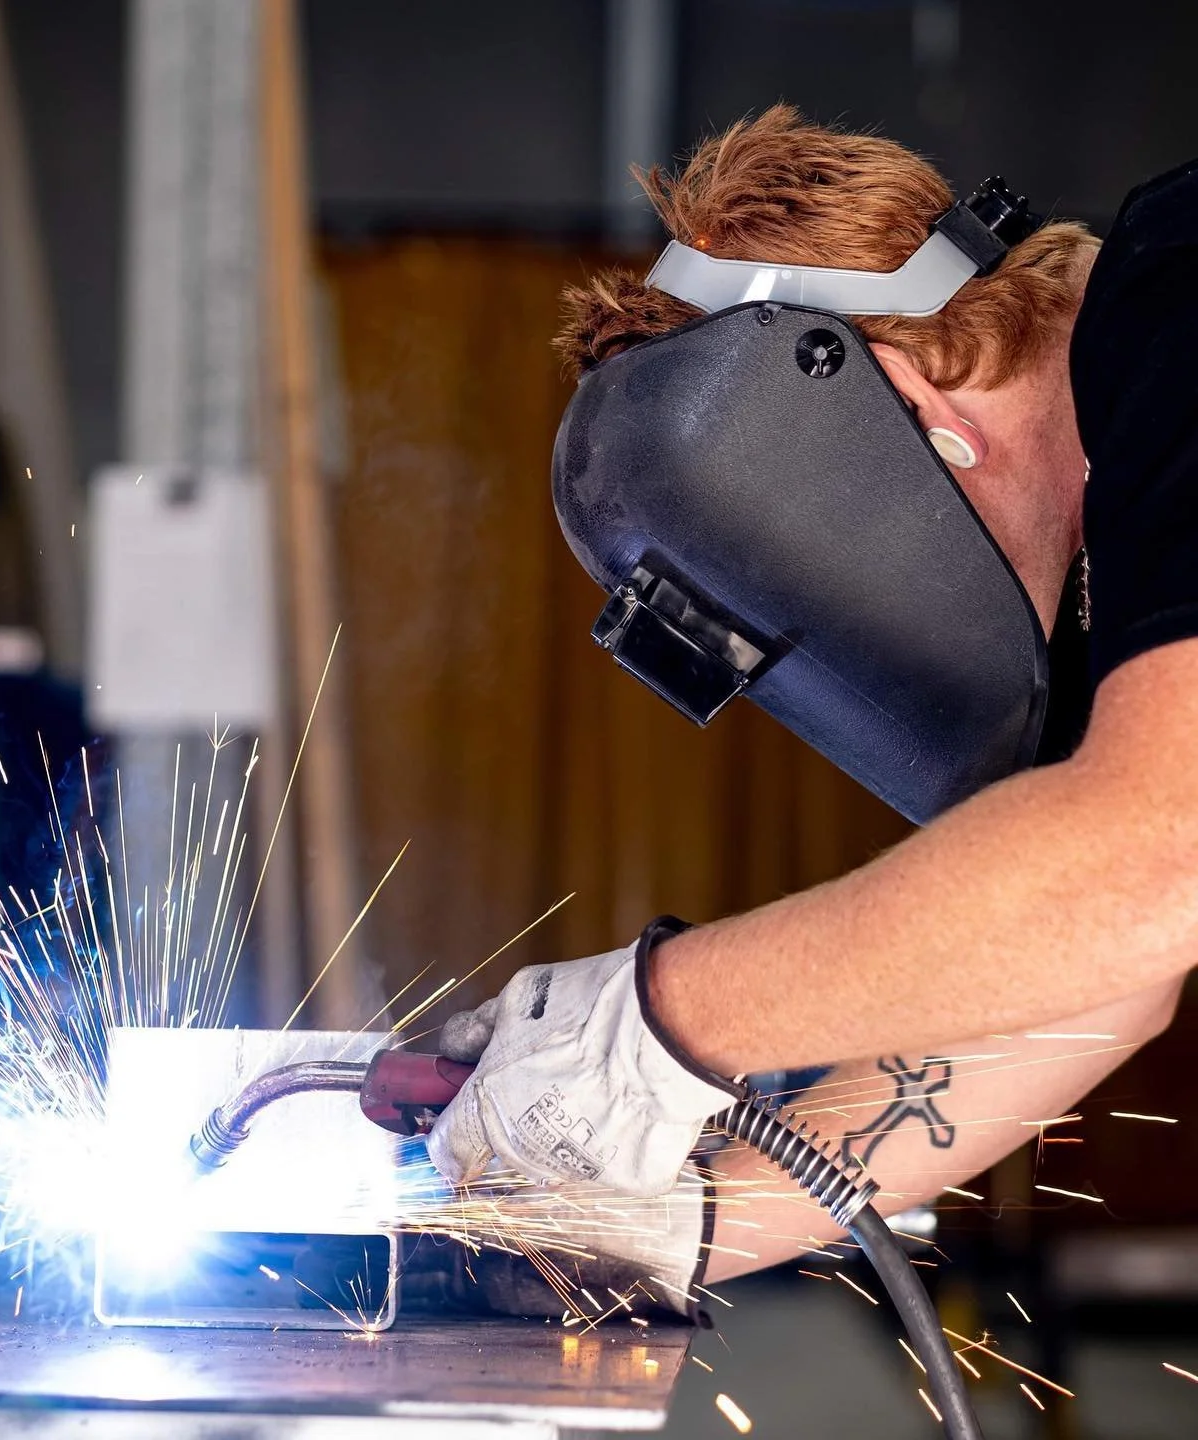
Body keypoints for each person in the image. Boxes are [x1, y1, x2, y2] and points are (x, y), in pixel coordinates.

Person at [425, 106, 1194, 1297]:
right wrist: (684, 1228)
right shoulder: (1117, 577)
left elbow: (1154, 859)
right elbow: (1100, 968)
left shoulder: (1180, 300)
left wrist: (656, 1022)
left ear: (919, 418)